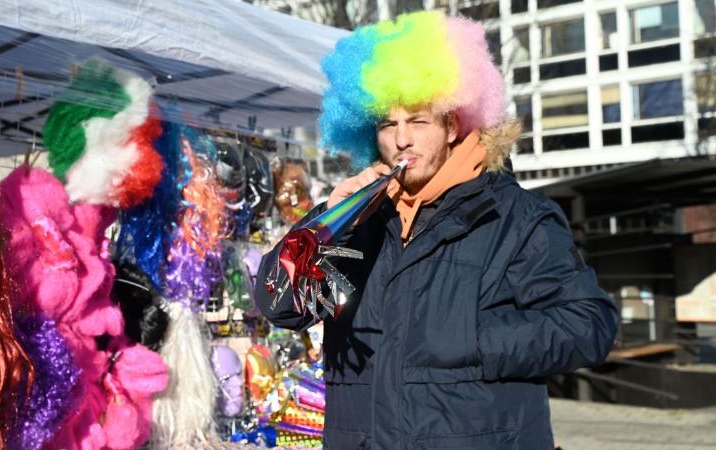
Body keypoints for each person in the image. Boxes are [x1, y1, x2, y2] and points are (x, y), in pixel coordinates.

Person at [254, 11, 619, 450]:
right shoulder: (355, 218)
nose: (402, 140)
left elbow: (589, 325)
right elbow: (279, 306)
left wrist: (473, 338)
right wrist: (327, 224)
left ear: (452, 126)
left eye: (419, 121)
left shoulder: (517, 216)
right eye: (388, 124)